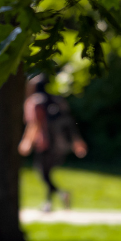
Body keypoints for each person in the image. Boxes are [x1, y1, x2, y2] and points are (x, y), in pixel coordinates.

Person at [18, 74, 88, 212]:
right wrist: (77, 142)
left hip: (45, 143)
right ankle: (49, 203)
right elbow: (70, 123)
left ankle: (60, 195)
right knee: (47, 173)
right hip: (60, 144)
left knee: (43, 173)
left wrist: (26, 142)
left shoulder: (34, 102)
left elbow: (35, 124)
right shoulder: (58, 101)